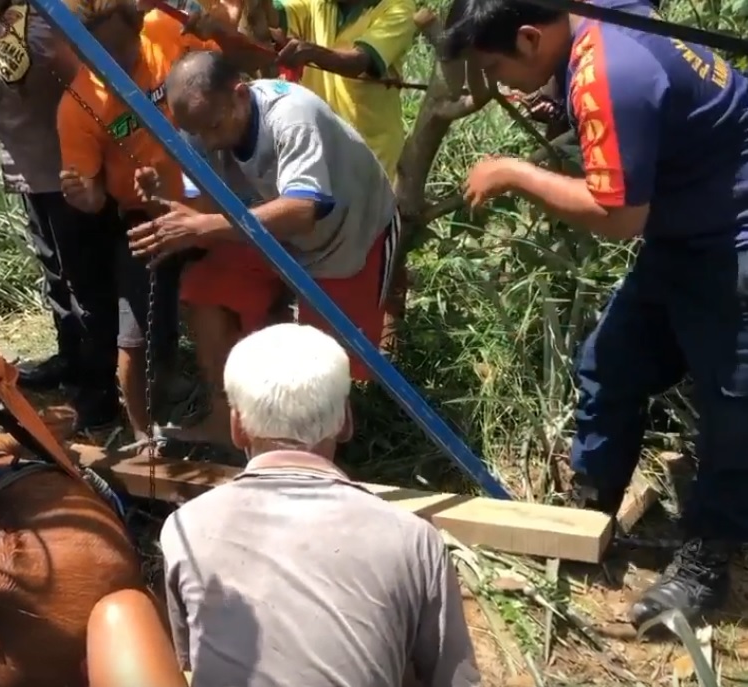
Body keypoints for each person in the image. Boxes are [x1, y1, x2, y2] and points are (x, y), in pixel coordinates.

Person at [442, 0, 748, 626]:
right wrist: (569, 110)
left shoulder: (610, 72)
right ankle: (588, 509)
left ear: (531, 38)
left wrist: (513, 172)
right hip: (685, 233)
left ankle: (707, 561)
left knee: (733, 414)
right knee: (611, 362)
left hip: (734, 242)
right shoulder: (597, 18)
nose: (499, 85)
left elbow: (617, 217)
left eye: (497, 67)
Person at [160, 323, 480, 687]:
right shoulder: (414, 539)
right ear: (345, 420)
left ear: (237, 426)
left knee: (122, 615)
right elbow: (454, 679)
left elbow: (192, 658)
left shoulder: (185, 526)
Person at [132, 51, 398, 448]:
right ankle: (230, 419)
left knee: (327, 363)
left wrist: (204, 226)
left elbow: (303, 210)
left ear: (240, 94)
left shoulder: (292, 116)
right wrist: (165, 192)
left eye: (214, 126)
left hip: (347, 234)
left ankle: (321, 448)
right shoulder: (202, 124)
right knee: (204, 292)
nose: (207, 140)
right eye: (196, 131)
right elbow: (208, 202)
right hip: (263, 225)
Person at [55, 0, 267, 442]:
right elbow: (93, 196)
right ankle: (143, 435)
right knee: (137, 335)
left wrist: (222, 27)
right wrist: (85, 195)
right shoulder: (78, 105)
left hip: (217, 202)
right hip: (147, 219)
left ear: (137, 28)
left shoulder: (165, 33)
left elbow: (230, 63)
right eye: (98, 54)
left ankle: (240, 412)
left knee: (240, 302)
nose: (112, 63)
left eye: (122, 50)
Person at [0, 1, 125, 430]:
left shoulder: (33, 20)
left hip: (65, 168)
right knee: (56, 273)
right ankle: (71, 359)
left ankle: (99, 389)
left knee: (84, 282)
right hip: (31, 168)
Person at [271, 0, 416, 180]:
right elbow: (273, 18)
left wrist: (312, 52)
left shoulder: (398, 7)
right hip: (319, 150)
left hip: (372, 156)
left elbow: (358, 62)